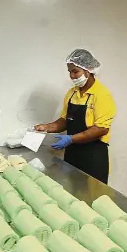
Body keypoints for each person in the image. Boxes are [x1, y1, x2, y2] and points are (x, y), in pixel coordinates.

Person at [35, 49, 116, 184]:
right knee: (72, 190)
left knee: (93, 194)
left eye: (75, 71)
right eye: (69, 72)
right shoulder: (71, 93)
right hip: (72, 154)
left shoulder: (102, 95)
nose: (72, 76)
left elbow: (101, 129)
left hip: (93, 156)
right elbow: (65, 120)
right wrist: (47, 127)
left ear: (88, 70)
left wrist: (71, 138)